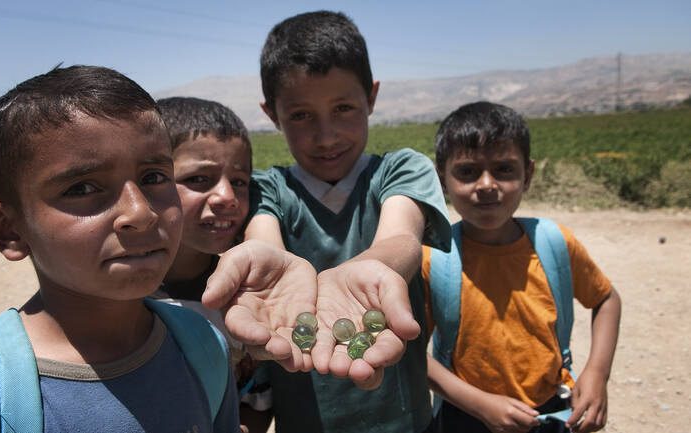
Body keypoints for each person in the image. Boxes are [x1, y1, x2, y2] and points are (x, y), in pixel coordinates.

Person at [0, 65, 241, 432]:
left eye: (153, 178)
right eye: (82, 188)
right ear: (7, 230)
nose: (140, 213)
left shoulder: (202, 348)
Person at [243, 10, 452, 433]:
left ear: (371, 97)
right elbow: (264, 243)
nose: (327, 136)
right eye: (301, 115)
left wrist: (371, 268)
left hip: (405, 422)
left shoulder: (401, 170)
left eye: (343, 108)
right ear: (271, 114)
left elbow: (401, 237)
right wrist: (268, 270)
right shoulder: (268, 189)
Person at [423, 101, 622, 433]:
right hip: (465, 414)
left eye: (504, 169)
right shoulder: (434, 259)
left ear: (527, 175)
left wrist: (598, 373)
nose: (487, 184)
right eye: (468, 172)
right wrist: (479, 403)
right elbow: (410, 354)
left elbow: (606, 299)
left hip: (552, 410)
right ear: (442, 180)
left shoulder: (555, 243)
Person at [150, 96, 272, 432]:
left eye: (239, 182)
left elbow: (256, 399)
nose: (226, 197)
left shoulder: (244, 301)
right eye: (199, 179)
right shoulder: (120, 302)